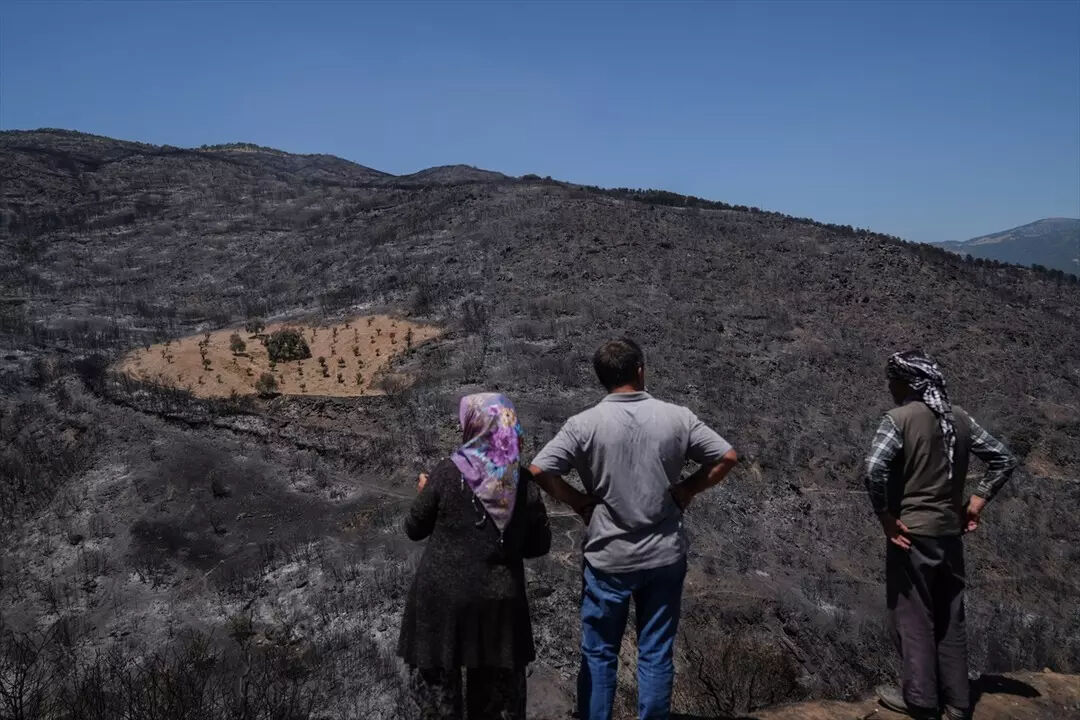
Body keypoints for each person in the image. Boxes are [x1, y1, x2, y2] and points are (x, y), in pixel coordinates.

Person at [528, 338, 737, 720]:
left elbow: (540, 469)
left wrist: (577, 501)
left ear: (602, 378)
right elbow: (727, 456)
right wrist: (688, 488)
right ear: (640, 369)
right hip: (664, 555)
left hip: (609, 557)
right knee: (655, 651)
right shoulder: (678, 417)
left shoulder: (583, 424)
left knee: (599, 652)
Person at [863, 350, 1018, 720]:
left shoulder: (898, 419)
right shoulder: (961, 420)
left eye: (893, 379)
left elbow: (873, 469)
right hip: (950, 535)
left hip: (912, 534)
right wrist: (976, 502)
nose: (889, 386)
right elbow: (1004, 458)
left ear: (908, 383)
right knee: (951, 616)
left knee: (914, 618)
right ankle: (959, 703)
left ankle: (920, 701)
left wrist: (885, 517)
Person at [397, 393, 552, 720]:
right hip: (499, 606)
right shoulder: (521, 482)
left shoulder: (446, 473)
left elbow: (414, 528)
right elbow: (539, 545)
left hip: (441, 603)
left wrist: (427, 492)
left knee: (438, 704)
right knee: (497, 706)